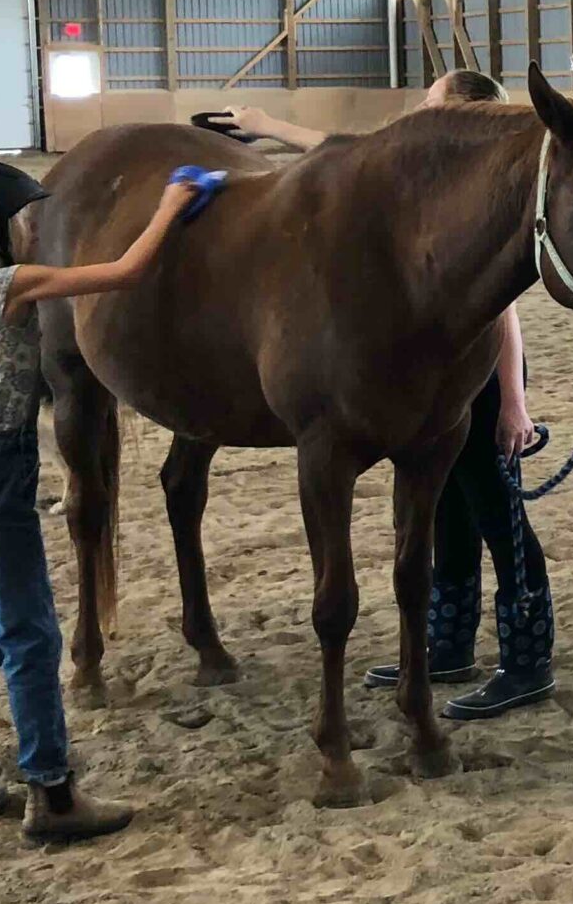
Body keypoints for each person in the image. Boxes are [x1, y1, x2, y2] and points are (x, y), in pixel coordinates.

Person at [209, 74, 554, 718]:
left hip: (481, 380)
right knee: (447, 516)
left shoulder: (473, 195)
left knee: (498, 513)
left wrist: (513, 401)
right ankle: (447, 644)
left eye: (430, 104)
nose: (416, 115)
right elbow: (339, 146)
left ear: (459, 115)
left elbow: (503, 309)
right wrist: (265, 125)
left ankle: (528, 661)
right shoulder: (424, 189)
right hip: (440, 374)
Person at [0, 159, 207, 842]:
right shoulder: (18, 286)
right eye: (16, 219)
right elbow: (125, 272)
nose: (26, 228)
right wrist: (171, 204)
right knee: (31, 631)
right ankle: (52, 792)